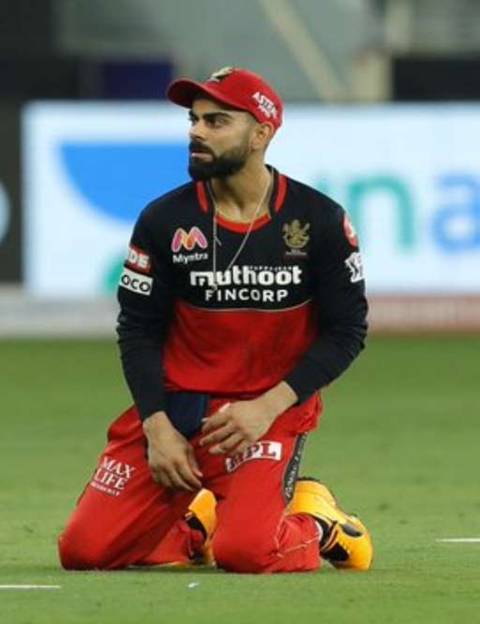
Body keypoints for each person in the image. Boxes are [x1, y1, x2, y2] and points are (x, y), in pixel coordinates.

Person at [57, 67, 373, 574]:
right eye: (194, 120)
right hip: (177, 412)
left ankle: (319, 523)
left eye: (217, 121)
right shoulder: (163, 220)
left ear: (261, 134)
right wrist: (156, 425)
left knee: (246, 553)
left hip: (263, 415)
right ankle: (198, 525)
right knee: (84, 552)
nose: (197, 132)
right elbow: (138, 329)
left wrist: (267, 407)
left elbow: (348, 331)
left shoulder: (319, 220)